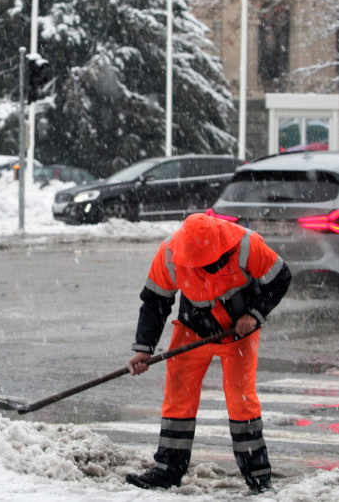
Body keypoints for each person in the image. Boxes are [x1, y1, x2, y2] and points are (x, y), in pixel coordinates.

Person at [125, 212, 292, 495]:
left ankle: (258, 478)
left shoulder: (247, 245)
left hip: (237, 333)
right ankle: (168, 470)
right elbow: (155, 302)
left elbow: (280, 278)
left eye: (209, 264)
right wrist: (143, 348)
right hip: (191, 328)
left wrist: (254, 315)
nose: (203, 269)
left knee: (242, 404)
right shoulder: (169, 254)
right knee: (178, 399)